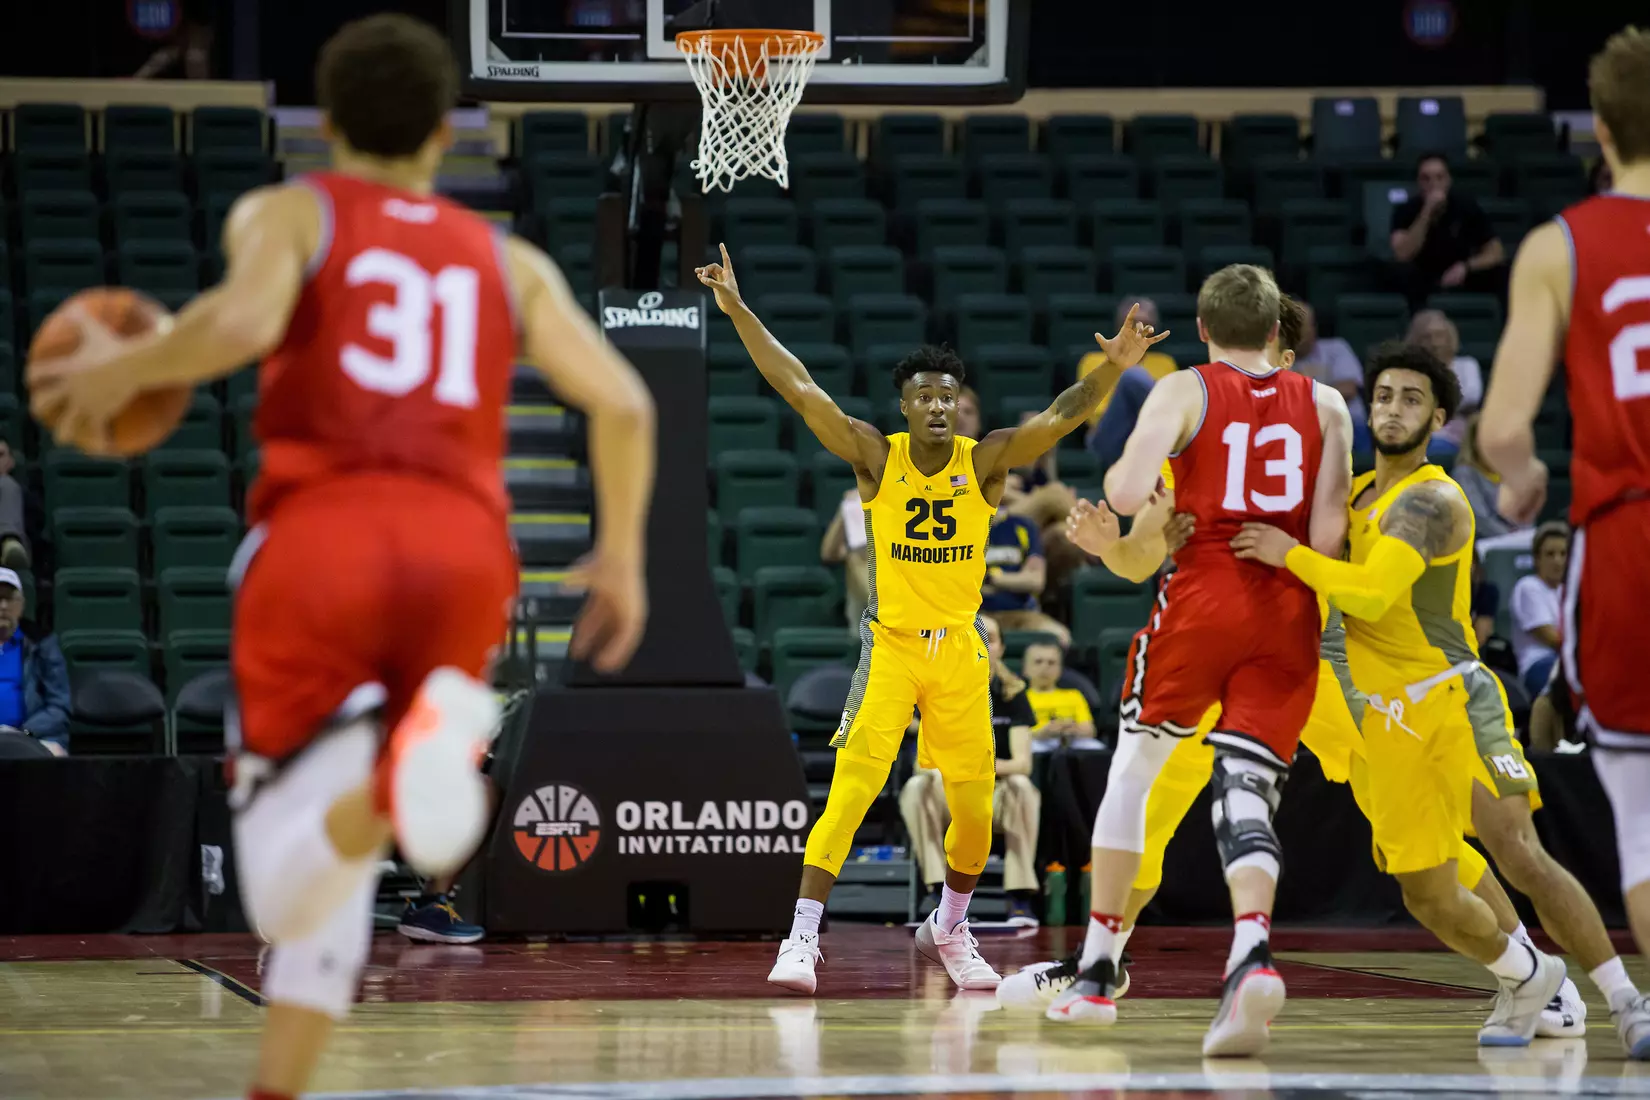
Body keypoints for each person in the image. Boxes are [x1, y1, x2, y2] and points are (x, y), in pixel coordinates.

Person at [27, 15, 657, 1100]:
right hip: (467, 551)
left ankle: (388, 779)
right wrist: (624, 556)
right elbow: (626, 400)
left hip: (323, 538)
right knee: (343, 871)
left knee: (284, 882)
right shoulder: (509, 259)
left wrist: (132, 362)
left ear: (326, 122)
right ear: (442, 130)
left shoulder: (293, 209)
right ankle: (403, 781)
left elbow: (243, 318)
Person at [1000, 303, 1587, 1043]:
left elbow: (1360, 562)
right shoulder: (1201, 425)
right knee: (1138, 812)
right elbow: (1144, 555)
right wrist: (1111, 544)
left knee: (1418, 833)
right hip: (1209, 650)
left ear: (1283, 352)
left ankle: (1530, 969)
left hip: (1317, 655)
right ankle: (1101, 961)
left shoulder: (1326, 433)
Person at [697, 246, 1168, 995]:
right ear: (906, 405)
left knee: (977, 813)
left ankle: (949, 925)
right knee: (851, 790)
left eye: (950, 395)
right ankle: (802, 937)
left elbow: (1064, 412)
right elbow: (796, 387)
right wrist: (736, 309)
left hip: (960, 653)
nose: (940, 405)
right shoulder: (874, 457)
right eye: (926, 396)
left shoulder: (987, 461)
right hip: (891, 648)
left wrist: (1113, 366)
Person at [1237, 340, 1644, 1052]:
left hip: (1454, 698)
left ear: (1441, 418)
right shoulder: (1356, 493)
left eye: (1413, 399)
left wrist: (1289, 553)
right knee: (1429, 883)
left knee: (1517, 850)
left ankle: (1627, 1001)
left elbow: (1371, 592)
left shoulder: (1429, 500)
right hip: (1384, 711)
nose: (1393, 409)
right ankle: (1539, 981)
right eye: (1385, 395)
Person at [1037, 265, 1352, 1058]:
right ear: (1279, 328)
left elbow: (1126, 483)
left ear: (1204, 331)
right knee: (1246, 788)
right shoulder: (1328, 404)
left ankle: (1100, 968)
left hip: (1204, 598)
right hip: (1287, 610)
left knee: (1133, 776)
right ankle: (1250, 949)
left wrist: (1127, 502)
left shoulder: (1183, 391)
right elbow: (1327, 541)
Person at [1477, 33, 1650, 1052]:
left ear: (1601, 128)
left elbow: (1503, 430)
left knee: (1638, 802)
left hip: (1626, 526)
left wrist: (1526, 479)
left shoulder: (1561, 244)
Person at [899, 615, 1041, 926]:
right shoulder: (938, 687)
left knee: (1023, 786)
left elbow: (1022, 763)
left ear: (1001, 647)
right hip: (947, 787)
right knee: (917, 787)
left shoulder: (1012, 694)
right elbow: (925, 760)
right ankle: (939, 892)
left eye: (989, 637)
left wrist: (976, 768)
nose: (981, 642)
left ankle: (1019, 897)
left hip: (994, 791)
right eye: (973, 635)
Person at [1389, 152, 1507, 307]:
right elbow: (1403, 254)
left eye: (1439, 177)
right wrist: (1427, 212)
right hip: (1422, 278)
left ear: (1449, 180)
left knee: (1502, 273)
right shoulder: (1405, 210)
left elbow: (1496, 252)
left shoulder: (1466, 207)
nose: (1433, 184)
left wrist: (1466, 266)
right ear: (1418, 182)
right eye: (1426, 179)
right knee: (1400, 274)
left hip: (1459, 273)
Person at [0, 567, 70, 756]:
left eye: (9, 598)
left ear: (21, 605)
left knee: (56, 754)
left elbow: (59, 705)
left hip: (32, 736)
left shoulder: (42, 643)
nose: (4, 606)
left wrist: (24, 733)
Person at [980, 502, 1068, 646]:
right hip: (976, 616)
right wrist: (1016, 581)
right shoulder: (960, 526)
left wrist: (990, 579)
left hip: (1019, 614)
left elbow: (1035, 580)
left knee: (1059, 636)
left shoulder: (1023, 526)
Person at [1406, 309, 1482, 453]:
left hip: (1459, 437)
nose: (1434, 343)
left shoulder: (1467, 365)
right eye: (1426, 337)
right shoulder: (1410, 371)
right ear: (1416, 341)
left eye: (1439, 336)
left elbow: (1472, 397)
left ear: (1449, 337)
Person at [1509, 522, 1568, 696]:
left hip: (1569, 660)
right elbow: (1553, 639)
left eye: (1563, 554)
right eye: (1550, 554)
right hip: (1539, 664)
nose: (1557, 560)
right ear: (1537, 559)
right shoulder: (1528, 587)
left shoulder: (1570, 590)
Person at [1020, 641, 1098, 750]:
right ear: (1025, 668)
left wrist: (1073, 729)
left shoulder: (1074, 695)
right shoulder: (1019, 698)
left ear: (1060, 669)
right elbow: (1015, 735)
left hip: (1072, 741)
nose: (1045, 667)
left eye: (1051, 663)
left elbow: (1090, 730)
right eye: (1038, 662)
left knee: (1095, 747)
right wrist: (1042, 732)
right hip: (1036, 742)